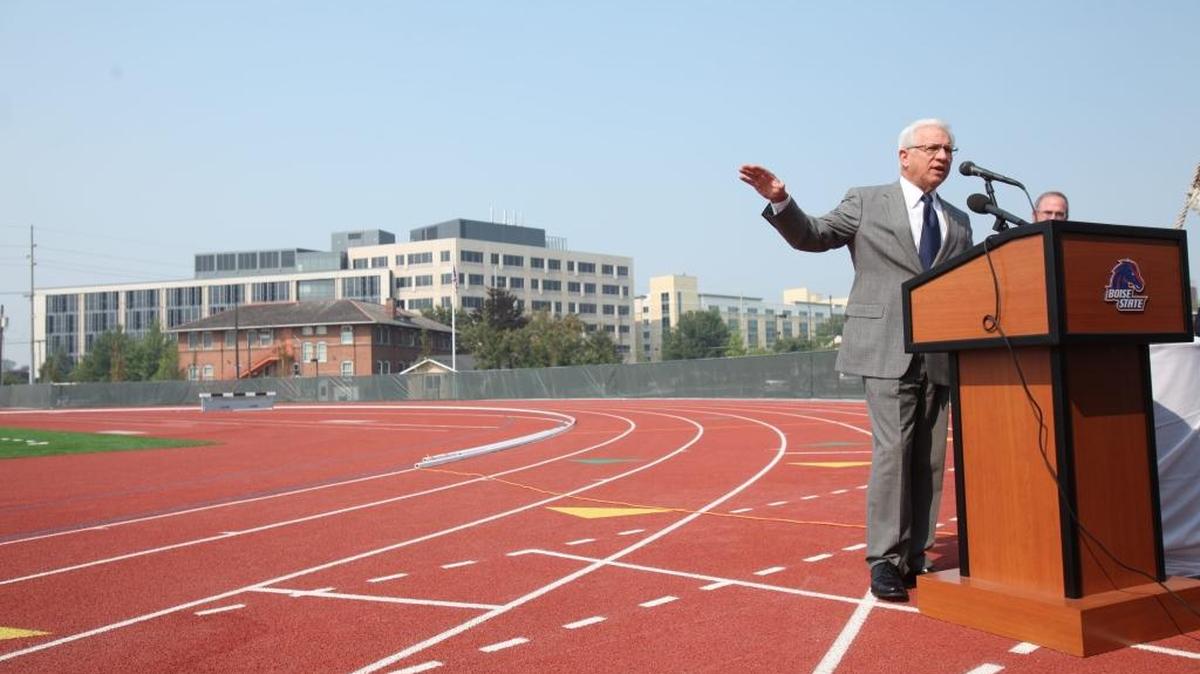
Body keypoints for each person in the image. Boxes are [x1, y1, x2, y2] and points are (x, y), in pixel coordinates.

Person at [739, 118, 974, 602]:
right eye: (932, 148)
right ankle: (885, 560)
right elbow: (814, 235)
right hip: (884, 348)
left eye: (948, 149)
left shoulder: (960, 219)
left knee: (930, 460)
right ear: (903, 155)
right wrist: (782, 201)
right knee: (893, 454)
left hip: (940, 355)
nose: (942, 157)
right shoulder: (866, 201)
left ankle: (915, 554)